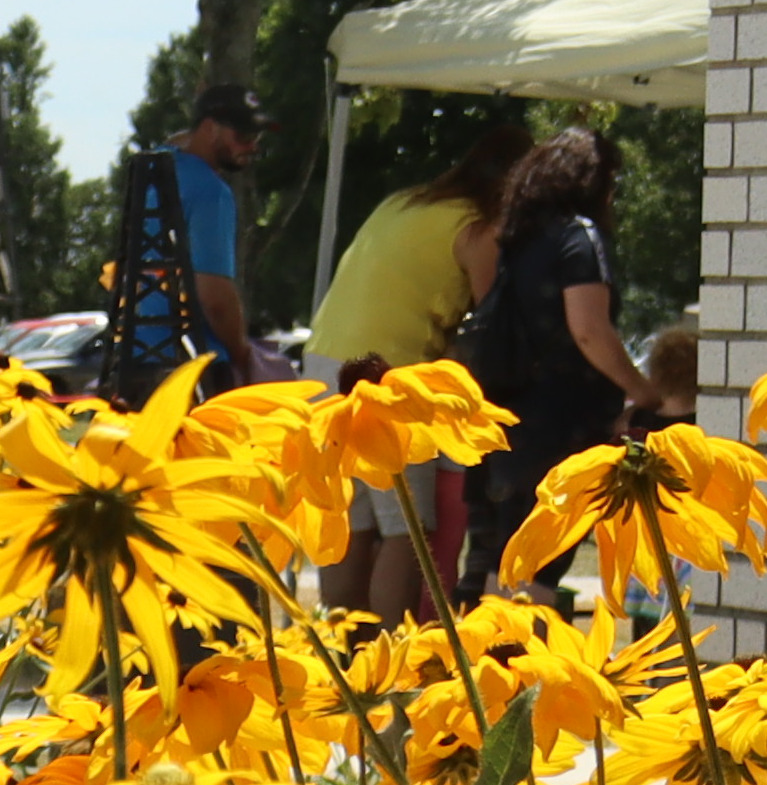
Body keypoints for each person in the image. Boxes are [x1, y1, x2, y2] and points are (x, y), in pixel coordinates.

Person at [303, 111, 533, 617]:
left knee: (350, 523)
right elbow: (491, 320)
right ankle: (390, 659)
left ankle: (345, 657)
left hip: (323, 364)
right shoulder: (480, 230)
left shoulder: (404, 202)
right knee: (408, 529)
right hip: (390, 376)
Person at [454, 131, 648, 592]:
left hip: (508, 419)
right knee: (537, 572)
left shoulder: (520, 238)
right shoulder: (579, 236)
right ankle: (528, 661)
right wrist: (642, 389)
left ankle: (498, 660)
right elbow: (588, 329)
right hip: (562, 425)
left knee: (504, 565)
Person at [101, 83, 270, 397]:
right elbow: (215, 298)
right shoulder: (211, 192)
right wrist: (243, 356)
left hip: (131, 355)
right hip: (192, 368)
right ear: (210, 129)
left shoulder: (156, 167)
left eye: (257, 138)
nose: (252, 147)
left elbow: (176, 141)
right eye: (244, 137)